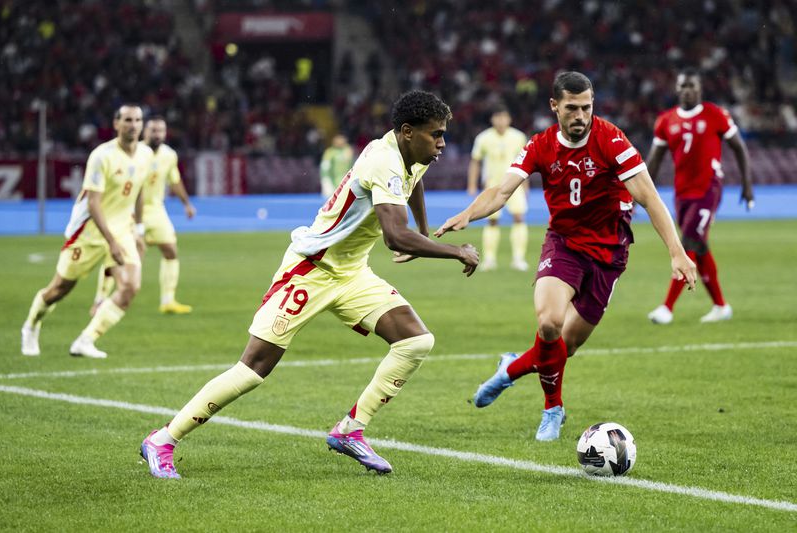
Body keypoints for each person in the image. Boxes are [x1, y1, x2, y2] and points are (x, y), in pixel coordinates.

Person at [140, 90, 479, 479]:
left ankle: (350, 430)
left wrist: (422, 231)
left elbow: (413, 183)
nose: (442, 144)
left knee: (416, 341)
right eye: (436, 135)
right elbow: (393, 237)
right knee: (254, 368)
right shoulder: (383, 161)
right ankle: (163, 439)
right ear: (406, 132)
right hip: (310, 270)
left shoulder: (410, 154)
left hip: (351, 273)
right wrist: (454, 251)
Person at [436, 72, 696, 441]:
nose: (580, 116)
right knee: (549, 323)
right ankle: (553, 409)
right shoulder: (541, 145)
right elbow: (501, 191)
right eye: (572, 108)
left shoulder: (611, 139)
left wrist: (677, 252)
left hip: (609, 254)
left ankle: (510, 369)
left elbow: (649, 197)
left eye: (586, 108)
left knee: (564, 347)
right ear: (554, 106)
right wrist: (468, 213)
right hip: (565, 245)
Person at [20, 104, 152, 359]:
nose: (133, 125)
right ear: (116, 124)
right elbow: (93, 203)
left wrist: (138, 230)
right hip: (90, 232)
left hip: (122, 229)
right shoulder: (102, 156)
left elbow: (139, 191)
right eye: (127, 120)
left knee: (130, 286)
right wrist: (111, 241)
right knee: (59, 288)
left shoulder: (146, 154)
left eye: (137, 120)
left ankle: (86, 340)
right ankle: (31, 325)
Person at [646, 68, 755, 325]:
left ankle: (667, 308)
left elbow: (739, 147)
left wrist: (747, 185)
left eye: (692, 86)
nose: (688, 90)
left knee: (688, 243)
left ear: (700, 88)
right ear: (677, 89)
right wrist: (637, 193)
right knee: (700, 246)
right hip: (682, 193)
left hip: (709, 189)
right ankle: (720, 306)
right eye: (683, 86)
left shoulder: (715, 115)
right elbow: (653, 161)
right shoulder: (666, 121)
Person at [92, 116, 196, 315]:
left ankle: (168, 300)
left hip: (156, 210)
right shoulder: (135, 153)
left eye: (161, 131)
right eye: (153, 130)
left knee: (171, 251)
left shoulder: (169, 155)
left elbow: (174, 181)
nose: (157, 134)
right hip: (130, 212)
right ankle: (100, 299)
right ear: (144, 131)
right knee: (117, 257)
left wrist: (187, 204)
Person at [467, 105, 530, 271]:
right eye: (498, 117)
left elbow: (526, 163)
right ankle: (489, 259)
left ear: (509, 119)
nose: (501, 121)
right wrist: (472, 184)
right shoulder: (483, 138)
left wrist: (526, 186)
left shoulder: (518, 137)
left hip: (515, 184)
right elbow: (475, 161)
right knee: (492, 220)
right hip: (492, 185)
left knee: (519, 217)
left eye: (504, 117)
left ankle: (518, 258)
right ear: (492, 119)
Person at [319, 133, 354, 198]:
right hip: (332, 183)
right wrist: (326, 182)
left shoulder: (348, 150)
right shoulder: (329, 152)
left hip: (346, 183)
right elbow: (324, 169)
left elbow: (352, 166)